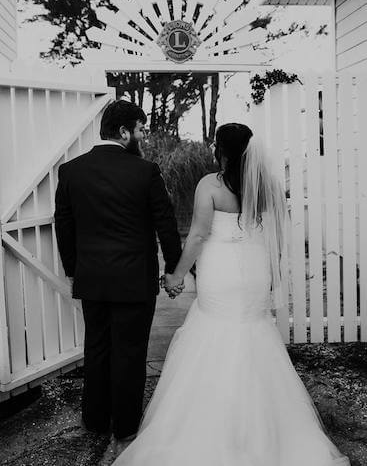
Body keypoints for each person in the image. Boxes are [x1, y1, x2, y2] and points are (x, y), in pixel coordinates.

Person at [113, 123, 350, 466]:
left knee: (214, 329)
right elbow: (275, 236)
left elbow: (197, 236)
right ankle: (267, 429)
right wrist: (271, 272)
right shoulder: (267, 186)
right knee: (254, 334)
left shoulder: (210, 185)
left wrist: (176, 275)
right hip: (255, 270)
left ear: (221, 150)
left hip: (220, 271)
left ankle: (208, 424)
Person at [54, 99, 183, 445]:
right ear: (124, 132)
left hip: (92, 278)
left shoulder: (71, 171)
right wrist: (174, 268)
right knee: (130, 351)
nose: (142, 136)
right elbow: (165, 223)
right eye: (139, 129)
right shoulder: (145, 171)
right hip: (134, 281)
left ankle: (95, 420)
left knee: (96, 348)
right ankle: (125, 424)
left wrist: (73, 271)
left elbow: (63, 226)